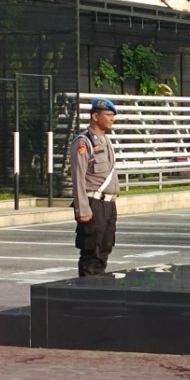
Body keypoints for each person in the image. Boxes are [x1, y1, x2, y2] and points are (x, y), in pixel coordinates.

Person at [70, 97, 119, 277]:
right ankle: (87, 295)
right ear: (95, 116)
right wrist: (82, 208)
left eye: (113, 115)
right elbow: (78, 177)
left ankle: (98, 291)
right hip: (93, 204)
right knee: (91, 252)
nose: (112, 118)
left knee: (104, 250)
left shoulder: (106, 141)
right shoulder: (84, 142)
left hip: (108, 204)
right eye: (108, 115)